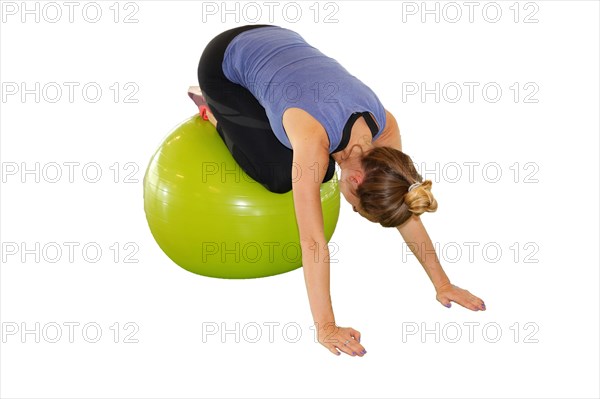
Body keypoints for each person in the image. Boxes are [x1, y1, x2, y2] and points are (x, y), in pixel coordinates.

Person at [189, 24, 486, 357]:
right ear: (356, 182)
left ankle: (258, 111)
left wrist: (442, 283)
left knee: (320, 168)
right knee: (279, 176)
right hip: (224, 61)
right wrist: (326, 327)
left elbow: (403, 203)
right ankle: (213, 111)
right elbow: (312, 242)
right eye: (358, 210)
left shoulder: (384, 130)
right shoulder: (314, 143)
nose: (354, 211)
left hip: (279, 39)